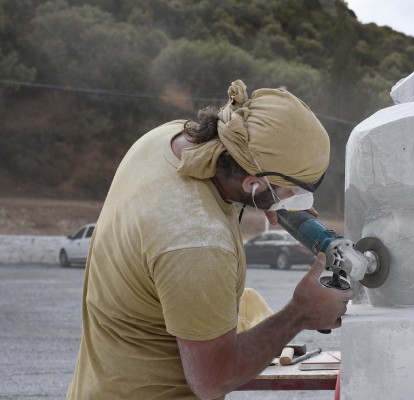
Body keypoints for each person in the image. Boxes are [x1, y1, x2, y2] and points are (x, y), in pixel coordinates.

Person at [67, 80, 354, 399]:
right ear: (253, 183)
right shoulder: (198, 242)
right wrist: (301, 312)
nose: (299, 202)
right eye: (294, 193)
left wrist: (274, 202)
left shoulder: (167, 139)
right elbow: (212, 379)